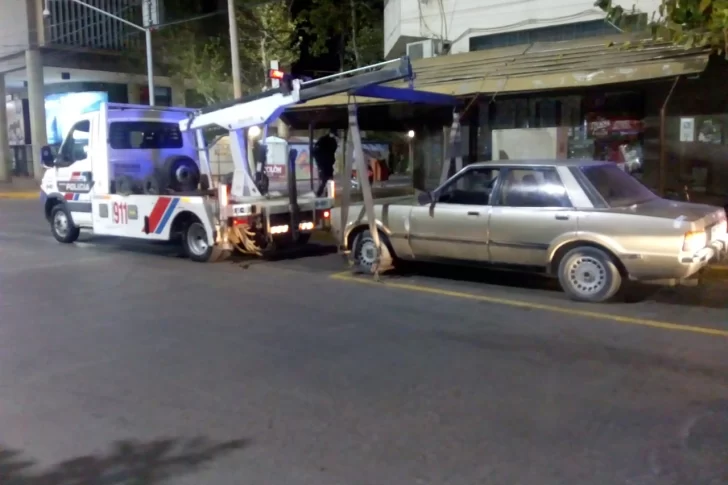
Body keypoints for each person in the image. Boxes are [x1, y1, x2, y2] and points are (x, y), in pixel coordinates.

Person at [314, 129, 337, 196]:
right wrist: (319, 163)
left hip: (327, 164)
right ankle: (322, 193)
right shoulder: (324, 141)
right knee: (325, 179)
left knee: (327, 179)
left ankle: (326, 193)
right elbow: (316, 151)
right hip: (324, 164)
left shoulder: (329, 141)